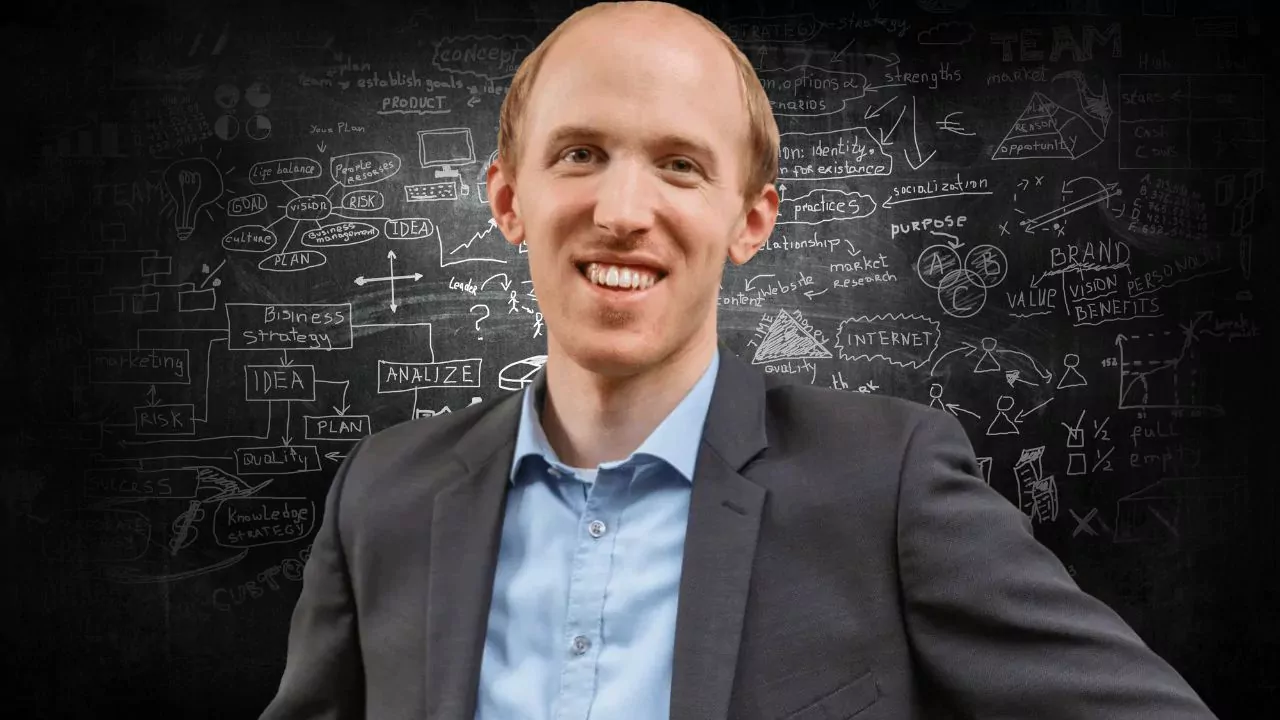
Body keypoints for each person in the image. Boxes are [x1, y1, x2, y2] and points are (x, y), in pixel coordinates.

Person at [261, 2, 1219, 718]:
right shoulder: (381, 497)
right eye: (580, 153)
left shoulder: (888, 486)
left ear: (750, 221)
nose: (622, 211)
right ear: (509, 200)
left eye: (680, 165)